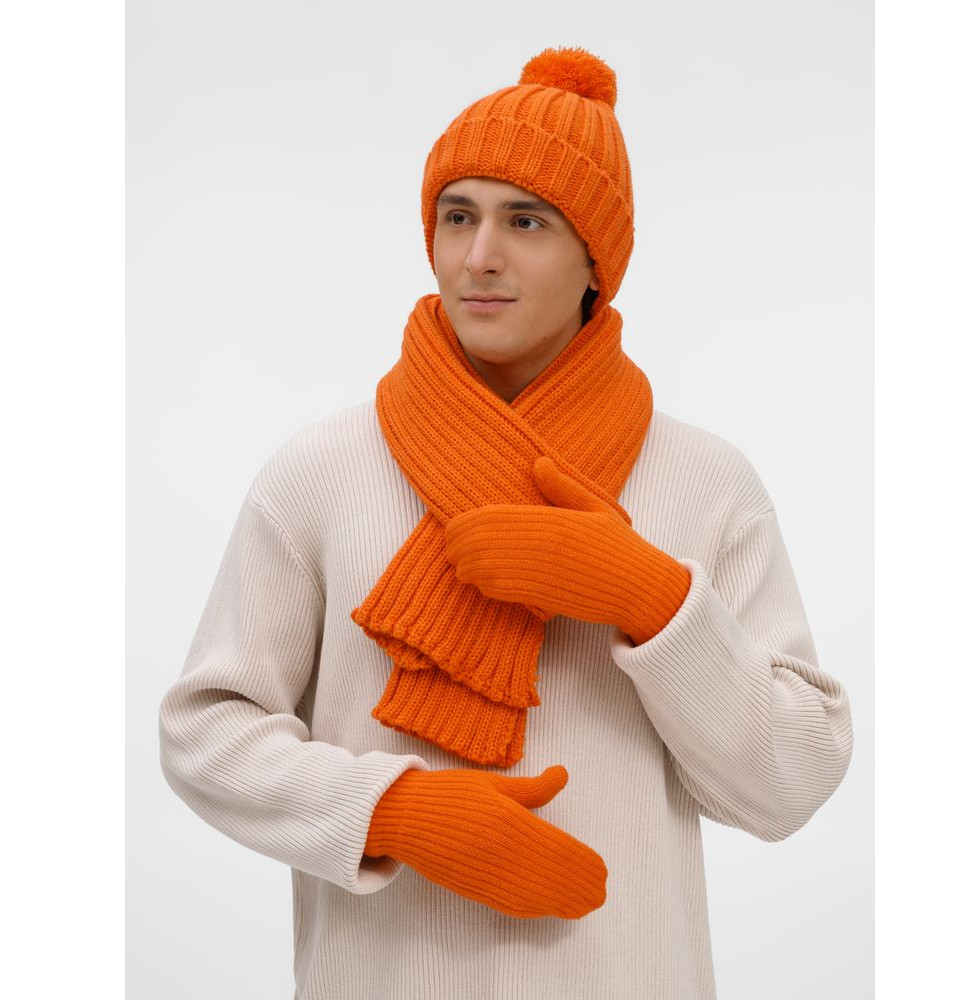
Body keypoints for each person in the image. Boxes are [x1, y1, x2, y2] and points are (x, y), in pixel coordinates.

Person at [159, 47, 852, 1000]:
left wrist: (651, 597)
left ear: (595, 260)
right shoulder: (321, 472)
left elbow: (794, 780)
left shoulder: (705, 484)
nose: (478, 255)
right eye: (458, 216)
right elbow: (204, 733)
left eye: (526, 221)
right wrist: (391, 811)